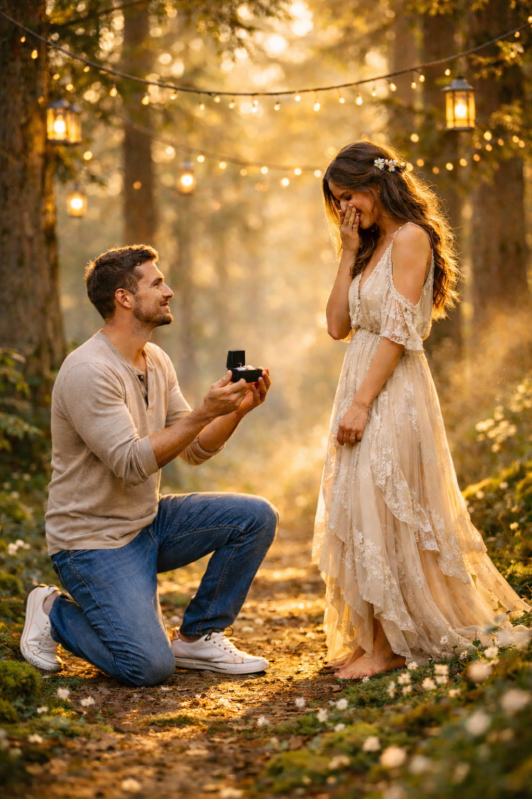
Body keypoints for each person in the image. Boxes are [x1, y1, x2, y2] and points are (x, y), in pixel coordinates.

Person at [313, 141, 530, 679]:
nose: (345, 209)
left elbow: (398, 329)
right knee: (358, 503)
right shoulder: (367, 246)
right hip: (358, 377)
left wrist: (363, 404)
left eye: (348, 197)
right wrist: (346, 249)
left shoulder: (412, 239)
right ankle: (375, 638)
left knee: (386, 502)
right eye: (338, 202)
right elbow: (338, 326)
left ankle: (390, 647)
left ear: (374, 183)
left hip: (393, 387)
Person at [20, 245, 278, 686]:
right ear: (124, 298)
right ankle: (51, 610)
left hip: (147, 524)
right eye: (156, 284)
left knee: (254, 516)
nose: (169, 291)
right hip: (92, 543)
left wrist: (236, 410)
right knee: (148, 667)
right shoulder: (88, 370)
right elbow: (130, 464)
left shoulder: (156, 360)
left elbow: (195, 449)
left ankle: (198, 637)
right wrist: (203, 411)